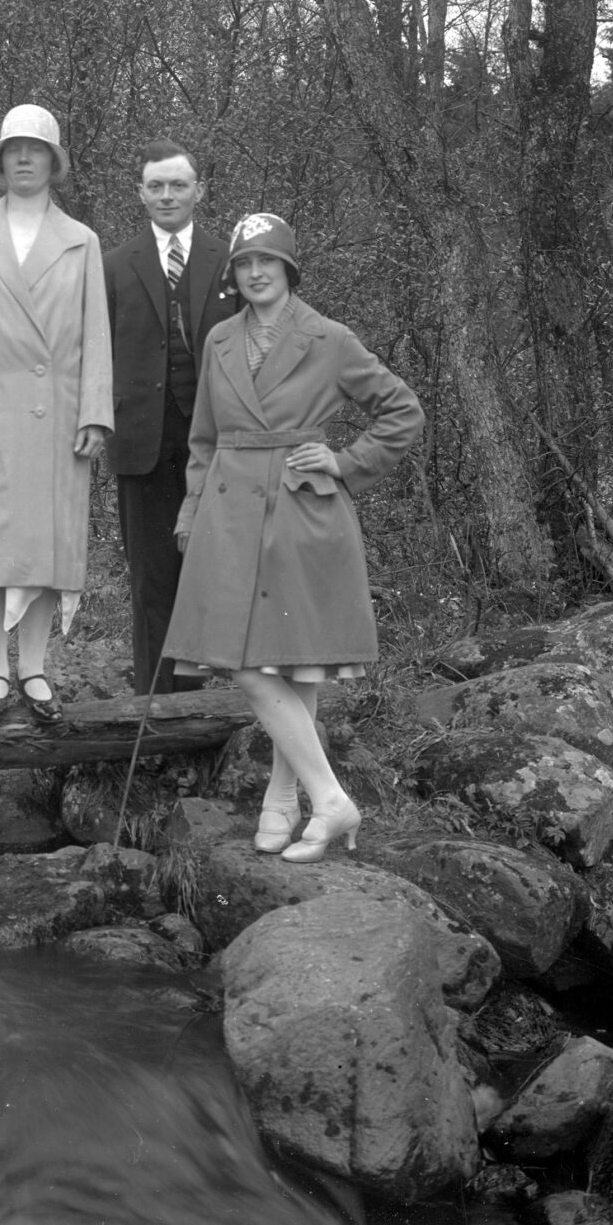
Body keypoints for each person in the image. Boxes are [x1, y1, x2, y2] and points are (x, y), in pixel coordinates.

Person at [165, 213, 422, 860]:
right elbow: (202, 439)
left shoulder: (328, 339)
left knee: (289, 663)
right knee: (252, 664)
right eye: (245, 263)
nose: (256, 273)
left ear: (288, 270)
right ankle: (311, 800)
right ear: (234, 273)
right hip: (229, 513)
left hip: (302, 514)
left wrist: (345, 461)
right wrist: (192, 509)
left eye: (268, 262)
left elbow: (402, 411)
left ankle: (307, 801)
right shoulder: (219, 339)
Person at [0, 104, 113, 724]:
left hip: (55, 412)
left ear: (53, 163)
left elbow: (97, 333)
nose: (25, 159)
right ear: (0, 160)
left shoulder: (81, 241)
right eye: (15, 150)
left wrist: (96, 411)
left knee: (44, 545)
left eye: (36, 150)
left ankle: (33, 668)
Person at [103, 140, 238, 695]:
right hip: (143, 444)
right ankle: (156, 708)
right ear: (140, 193)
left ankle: (213, 702)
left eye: (177, 185)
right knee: (152, 580)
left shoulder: (230, 261)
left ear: (198, 191)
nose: (166, 195)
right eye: (155, 186)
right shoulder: (112, 265)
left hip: (221, 446)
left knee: (215, 576)